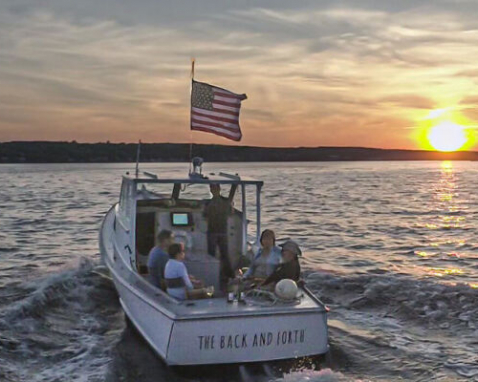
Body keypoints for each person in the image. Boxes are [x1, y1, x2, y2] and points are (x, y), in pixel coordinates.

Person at [204, 184, 234, 281]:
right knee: (219, 255)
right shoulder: (225, 202)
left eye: (215, 188)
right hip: (217, 231)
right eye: (213, 188)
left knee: (219, 255)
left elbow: (204, 215)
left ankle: (225, 276)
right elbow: (231, 213)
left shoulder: (209, 203)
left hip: (217, 232)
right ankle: (225, 276)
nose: (214, 190)